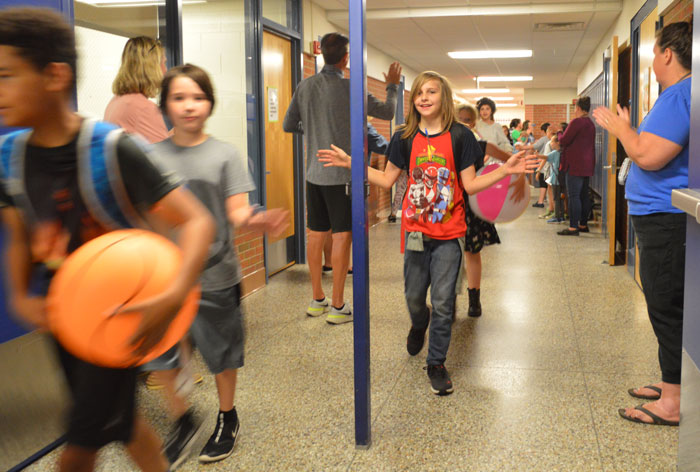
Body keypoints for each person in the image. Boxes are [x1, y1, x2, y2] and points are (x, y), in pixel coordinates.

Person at [0, 9, 215, 472]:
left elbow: (198, 222)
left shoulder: (112, 149)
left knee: (79, 447)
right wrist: (20, 295)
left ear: (54, 75)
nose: (0, 91)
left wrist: (176, 290)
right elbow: (20, 235)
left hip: (124, 317)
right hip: (67, 321)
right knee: (123, 423)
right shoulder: (8, 159)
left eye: (7, 76)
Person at [317, 71, 538, 395]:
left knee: (445, 301)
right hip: (416, 232)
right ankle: (419, 321)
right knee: (413, 297)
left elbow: (471, 184)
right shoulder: (403, 137)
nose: (423, 97)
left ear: (442, 97)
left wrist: (504, 169)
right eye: (419, 92)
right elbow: (386, 180)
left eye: (431, 91)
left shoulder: (461, 137)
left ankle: (436, 362)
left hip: (451, 233)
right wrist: (351, 162)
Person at [146, 64, 288, 468]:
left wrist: (255, 220)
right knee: (161, 355)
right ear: (165, 105)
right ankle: (183, 420)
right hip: (164, 274)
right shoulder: (151, 157)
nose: (189, 106)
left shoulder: (225, 153)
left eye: (198, 97)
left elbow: (236, 211)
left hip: (214, 272)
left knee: (222, 353)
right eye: (178, 98)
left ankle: (228, 417)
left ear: (209, 103)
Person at [593, 20, 691, 427]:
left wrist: (621, 129)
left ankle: (671, 403)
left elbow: (649, 156)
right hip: (661, 219)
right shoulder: (677, 96)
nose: (653, 59)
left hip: (666, 221)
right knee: (666, 304)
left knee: (666, 306)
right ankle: (676, 384)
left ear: (667, 53)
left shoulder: (681, 94)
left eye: (654, 52)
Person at [283, 32, 401, 324]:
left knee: (316, 234)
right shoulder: (353, 89)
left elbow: (288, 124)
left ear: (321, 53)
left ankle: (317, 299)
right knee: (342, 236)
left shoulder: (305, 86)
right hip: (343, 176)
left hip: (314, 174)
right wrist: (393, 86)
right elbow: (388, 111)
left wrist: (314, 131)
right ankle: (337, 305)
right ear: (346, 58)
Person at [104, 36, 168, 143]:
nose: (165, 70)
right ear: (152, 67)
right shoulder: (143, 108)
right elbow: (164, 154)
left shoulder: (117, 100)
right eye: (163, 63)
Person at [558, 96, 595, 235]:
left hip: (574, 165)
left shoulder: (576, 122)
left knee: (573, 196)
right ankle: (583, 225)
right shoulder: (590, 123)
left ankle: (573, 227)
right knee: (584, 196)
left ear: (578, 108)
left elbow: (564, 141)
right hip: (587, 165)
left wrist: (559, 132)